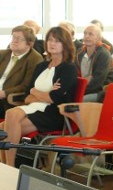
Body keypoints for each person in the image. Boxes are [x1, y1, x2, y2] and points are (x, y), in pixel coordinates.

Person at [0, 27, 77, 167]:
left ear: (65, 44)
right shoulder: (41, 66)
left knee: (8, 119)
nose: (52, 43)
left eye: (57, 41)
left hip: (53, 113)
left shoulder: (68, 68)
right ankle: (6, 167)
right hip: (33, 108)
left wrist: (35, 92)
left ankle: (8, 167)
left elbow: (53, 99)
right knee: (4, 125)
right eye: (50, 40)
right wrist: (40, 94)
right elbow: (27, 95)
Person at [0, 25, 43, 118]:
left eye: (19, 38)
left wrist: (4, 93)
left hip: (8, 100)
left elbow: (26, 86)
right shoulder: (3, 54)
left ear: (29, 44)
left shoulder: (35, 59)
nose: (14, 40)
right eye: (14, 37)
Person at [77, 24, 113, 101]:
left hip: (100, 91)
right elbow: (74, 75)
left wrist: (78, 92)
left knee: (79, 100)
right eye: (85, 33)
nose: (86, 36)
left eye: (90, 34)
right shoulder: (79, 53)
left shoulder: (103, 54)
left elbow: (97, 82)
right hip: (82, 88)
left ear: (99, 38)